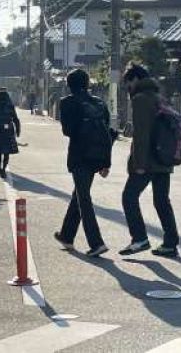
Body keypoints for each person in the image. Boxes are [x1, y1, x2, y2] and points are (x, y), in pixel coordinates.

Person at [119, 63, 179, 258]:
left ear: (135, 79)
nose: (127, 87)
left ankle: (139, 238)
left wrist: (139, 164)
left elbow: (142, 134)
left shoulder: (140, 99)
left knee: (129, 197)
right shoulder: (159, 97)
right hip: (164, 158)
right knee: (162, 201)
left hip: (149, 161)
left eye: (127, 82)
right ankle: (170, 243)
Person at [54, 69, 113, 257]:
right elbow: (108, 134)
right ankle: (66, 235)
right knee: (79, 194)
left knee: (84, 199)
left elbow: (68, 130)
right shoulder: (100, 103)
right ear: (88, 84)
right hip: (98, 156)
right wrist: (106, 163)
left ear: (69, 85)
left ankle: (96, 242)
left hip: (80, 156)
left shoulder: (67, 103)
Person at [0, 89, 20, 178]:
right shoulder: (10, 107)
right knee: (6, 152)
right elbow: (16, 119)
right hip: (8, 132)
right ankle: (3, 169)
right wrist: (18, 130)